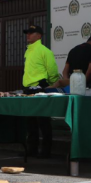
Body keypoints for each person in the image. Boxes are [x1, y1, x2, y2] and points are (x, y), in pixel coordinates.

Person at [22, 24, 59, 157]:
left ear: (39, 36)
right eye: (27, 33)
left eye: (31, 33)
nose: (28, 35)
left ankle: (46, 151)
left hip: (39, 88)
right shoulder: (28, 50)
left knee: (43, 121)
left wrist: (49, 86)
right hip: (28, 89)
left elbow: (53, 72)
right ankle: (31, 149)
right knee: (30, 121)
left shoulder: (45, 51)